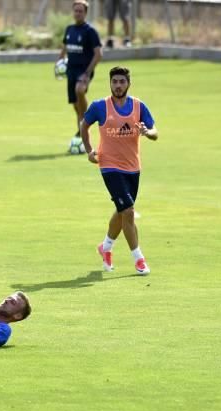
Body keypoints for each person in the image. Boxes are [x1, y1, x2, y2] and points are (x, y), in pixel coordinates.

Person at [80, 65, 158, 275]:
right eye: (114, 81)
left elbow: (155, 131)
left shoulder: (139, 106)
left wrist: (147, 132)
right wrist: (89, 151)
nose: (118, 85)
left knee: (123, 211)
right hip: (109, 166)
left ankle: (105, 247)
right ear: (110, 84)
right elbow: (84, 125)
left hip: (132, 167)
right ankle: (139, 259)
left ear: (128, 84)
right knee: (129, 211)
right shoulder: (100, 106)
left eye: (122, 81)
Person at [57, 0, 103, 154]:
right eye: (75, 11)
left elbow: (98, 54)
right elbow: (64, 49)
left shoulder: (90, 31)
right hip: (70, 70)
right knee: (76, 108)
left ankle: (87, 117)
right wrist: (58, 63)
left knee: (80, 90)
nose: (77, 13)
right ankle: (82, 134)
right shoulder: (69, 29)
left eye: (80, 11)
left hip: (84, 71)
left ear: (85, 13)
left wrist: (87, 73)